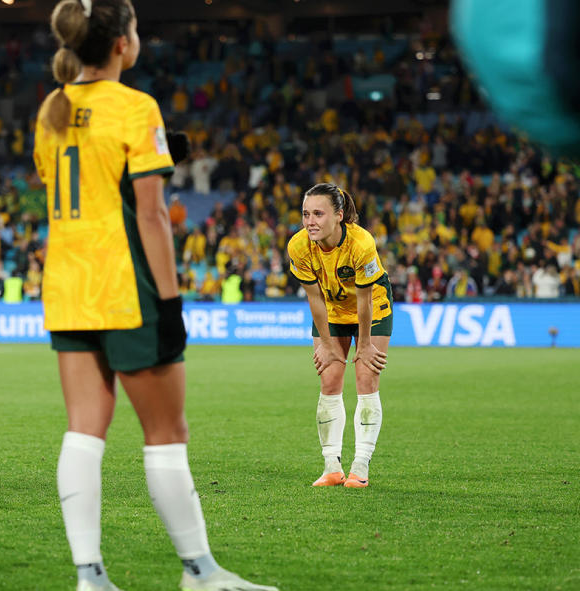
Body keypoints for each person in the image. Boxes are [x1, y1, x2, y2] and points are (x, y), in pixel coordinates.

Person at [33, 2, 277, 590]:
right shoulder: (135, 106)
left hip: (67, 286)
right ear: (122, 44)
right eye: (135, 30)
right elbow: (150, 214)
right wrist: (170, 304)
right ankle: (200, 572)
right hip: (126, 288)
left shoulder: (52, 106)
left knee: (84, 429)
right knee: (167, 435)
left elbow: (79, 180)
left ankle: (89, 577)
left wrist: (162, 150)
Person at [287, 183, 390, 489]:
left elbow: (364, 300)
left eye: (318, 213)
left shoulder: (361, 243)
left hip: (371, 308)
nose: (310, 221)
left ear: (339, 216)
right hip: (331, 310)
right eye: (306, 214)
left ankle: (360, 465)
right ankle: (331, 466)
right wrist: (328, 345)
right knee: (329, 380)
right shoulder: (298, 246)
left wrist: (366, 345)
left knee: (366, 379)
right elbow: (315, 299)